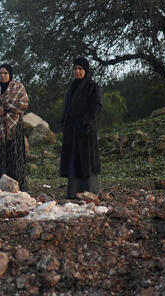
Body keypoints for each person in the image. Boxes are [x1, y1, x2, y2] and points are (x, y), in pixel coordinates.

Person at [59, 57, 102, 199]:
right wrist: (65, 121)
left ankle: (90, 190)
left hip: (85, 130)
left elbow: (96, 107)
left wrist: (86, 122)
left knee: (87, 159)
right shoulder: (72, 86)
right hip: (72, 129)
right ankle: (74, 191)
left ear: (86, 70)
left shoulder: (92, 86)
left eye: (80, 69)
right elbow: (68, 107)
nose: (77, 71)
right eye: (75, 69)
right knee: (74, 159)